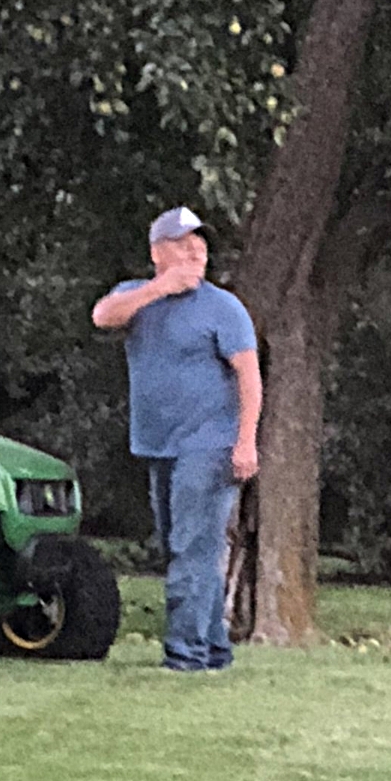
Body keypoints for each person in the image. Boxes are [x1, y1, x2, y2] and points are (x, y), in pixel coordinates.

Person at [92, 205, 261, 672]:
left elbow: (249, 377)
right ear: (157, 253)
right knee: (181, 546)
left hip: (210, 445)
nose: (195, 253)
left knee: (192, 547)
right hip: (157, 444)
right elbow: (102, 316)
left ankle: (184, 655)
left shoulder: (224, 308)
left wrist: (245, 441)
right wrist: (158, 289)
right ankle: (214, 650)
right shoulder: (137, 297)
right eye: (184, 246)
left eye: (200, 246)